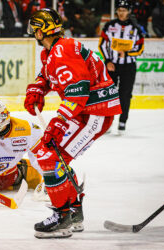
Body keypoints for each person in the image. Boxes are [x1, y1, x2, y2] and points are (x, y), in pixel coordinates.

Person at [25, 8, 122, 238]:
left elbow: (78, 91)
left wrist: (58, 122)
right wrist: (38, 88)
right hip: (84, 111)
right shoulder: (53, 51)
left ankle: (62, 217)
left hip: (95, 112)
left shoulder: (62, 51)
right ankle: (73, 211)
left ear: (41, 31)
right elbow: (49, 74)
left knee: (50, 155)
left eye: (34, 29)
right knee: (50, 154)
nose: (32, 33)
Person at [99, 0, 144, 134]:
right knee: (109, 94)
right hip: (112, 65)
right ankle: (108, 121)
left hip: (129, 66)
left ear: (129, 11)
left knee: (125, 95)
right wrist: (107, 61)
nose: (121, 12)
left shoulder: (136, 28)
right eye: (119, 10)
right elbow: (102, 44)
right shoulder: (109, 25)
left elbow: (140, 48)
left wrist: (127, 53)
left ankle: (123, 121)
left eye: (124, 10)